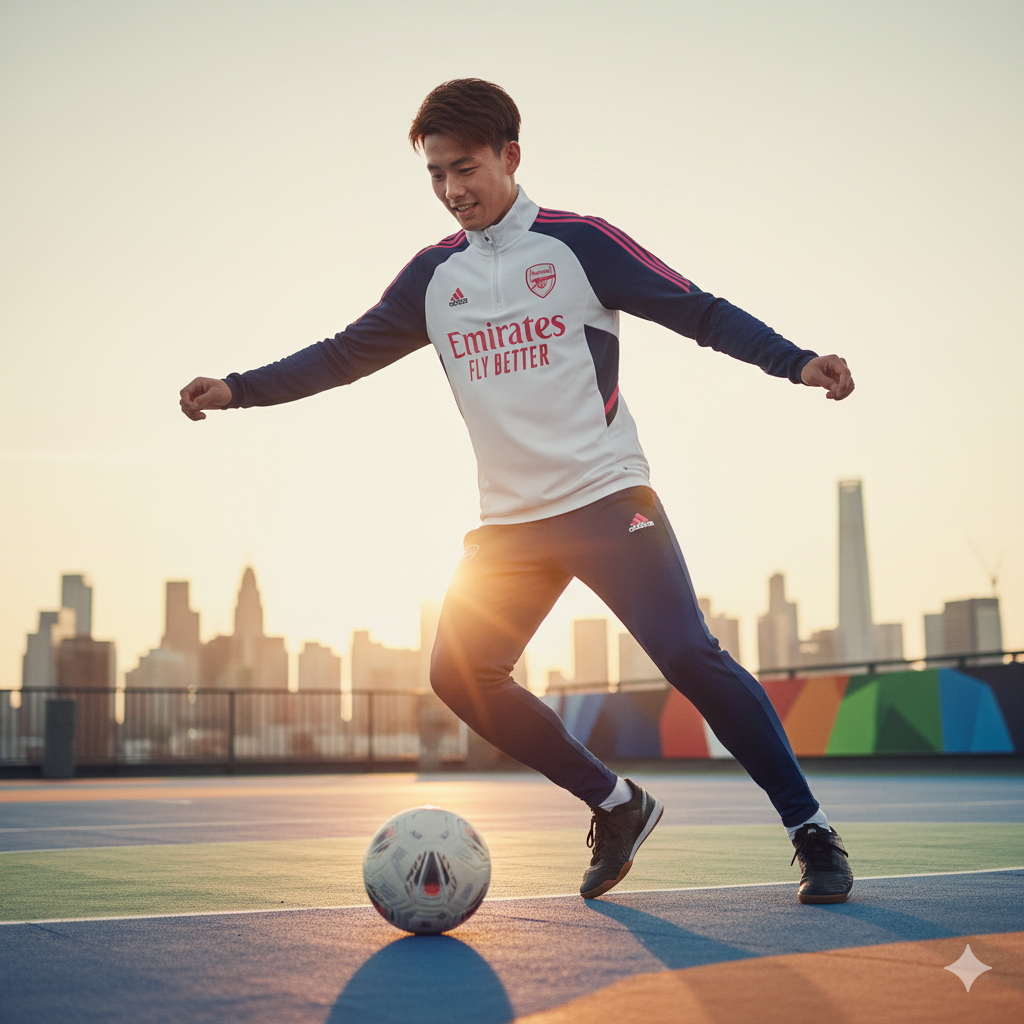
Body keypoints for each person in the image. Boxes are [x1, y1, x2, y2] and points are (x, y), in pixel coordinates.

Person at [180, 78, 855, 904]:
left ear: (510, 156)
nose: (451, 190)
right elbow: (340, 354)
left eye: (464, 168)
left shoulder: (580, 244)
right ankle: (617, 803)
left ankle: (810, 830)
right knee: (463, 677)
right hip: (512, 523)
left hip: (609, 499)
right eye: (435, 174)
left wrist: (794, 361)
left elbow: (699, 311)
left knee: (687, 655)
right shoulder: (433, 277)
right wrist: (238, 388)